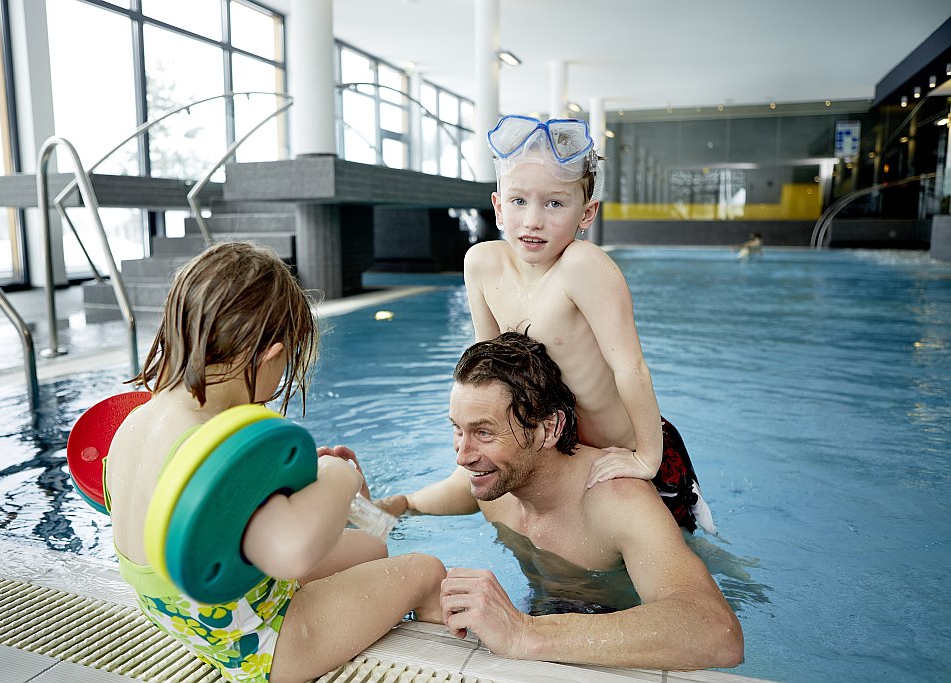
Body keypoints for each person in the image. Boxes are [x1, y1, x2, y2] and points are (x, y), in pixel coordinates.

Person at [104, 242, 445, 683]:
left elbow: (215, 522)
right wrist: (336, 478)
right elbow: (291, 553)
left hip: (191, 617)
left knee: (373, 547)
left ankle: (374, 543)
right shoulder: (209, 444)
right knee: (426, 569)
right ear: (270, 355)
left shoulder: (139, 420)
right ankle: (437, 660)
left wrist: (301, 489)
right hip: (264, 643)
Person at [375, 332, 743, 670]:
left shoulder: (615, 501)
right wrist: (387, 505)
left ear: (549, 428)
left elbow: (717, 633)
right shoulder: (492, 481)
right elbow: (426, 499)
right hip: (548, 614)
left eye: (484, 433)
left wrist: (523, 632)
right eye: (457, 429)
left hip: (615, 622)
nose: (463, 455)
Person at [464, 114, 713, 533]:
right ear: (498, 206)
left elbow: (629, 367)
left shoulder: (584, 267)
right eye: (519, 201)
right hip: (566, 455)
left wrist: (646, 459)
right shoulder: (483, 264)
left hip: (628, 448)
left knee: (688, 551)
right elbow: (489, 373)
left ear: (587, 212)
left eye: (555, 203)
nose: (533, 220)